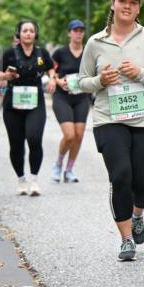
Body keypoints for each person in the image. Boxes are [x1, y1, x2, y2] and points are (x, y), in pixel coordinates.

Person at [79, 0, 144, 262]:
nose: (127, 5)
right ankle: (126, 239)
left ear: (138, 8)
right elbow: (82, 82)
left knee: (143, 183)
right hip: (109, 119)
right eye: (123, 0)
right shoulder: (96, 43)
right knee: (120, 176)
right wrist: (100, 81)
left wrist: (141, 73)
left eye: (133, 1)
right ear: (113, 4)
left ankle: (138, 214)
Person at [0, 20, 56, 196]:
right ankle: (21, 179)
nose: (28, 33)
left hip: (35, 102)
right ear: (19, 34)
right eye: (25, 31)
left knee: (34, 138)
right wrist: (6, 75)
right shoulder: (9, 53)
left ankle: (34, 179)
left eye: (31, 31)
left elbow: (51, 69)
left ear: (35, 34)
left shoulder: (41, 53)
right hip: (13, 104)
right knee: (16, 145)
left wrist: (52, 79)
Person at [50, 19, 92, 183]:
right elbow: (50, 70)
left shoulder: (88, 52)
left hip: (81, 98)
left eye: (81, 30)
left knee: (79, 136)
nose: (78, 33)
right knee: (69, 135)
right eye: (75, 30)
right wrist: (57, 80)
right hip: (63, 97)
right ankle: (58, 164)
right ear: (69, 33)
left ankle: (69, 170)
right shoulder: (60, 53)